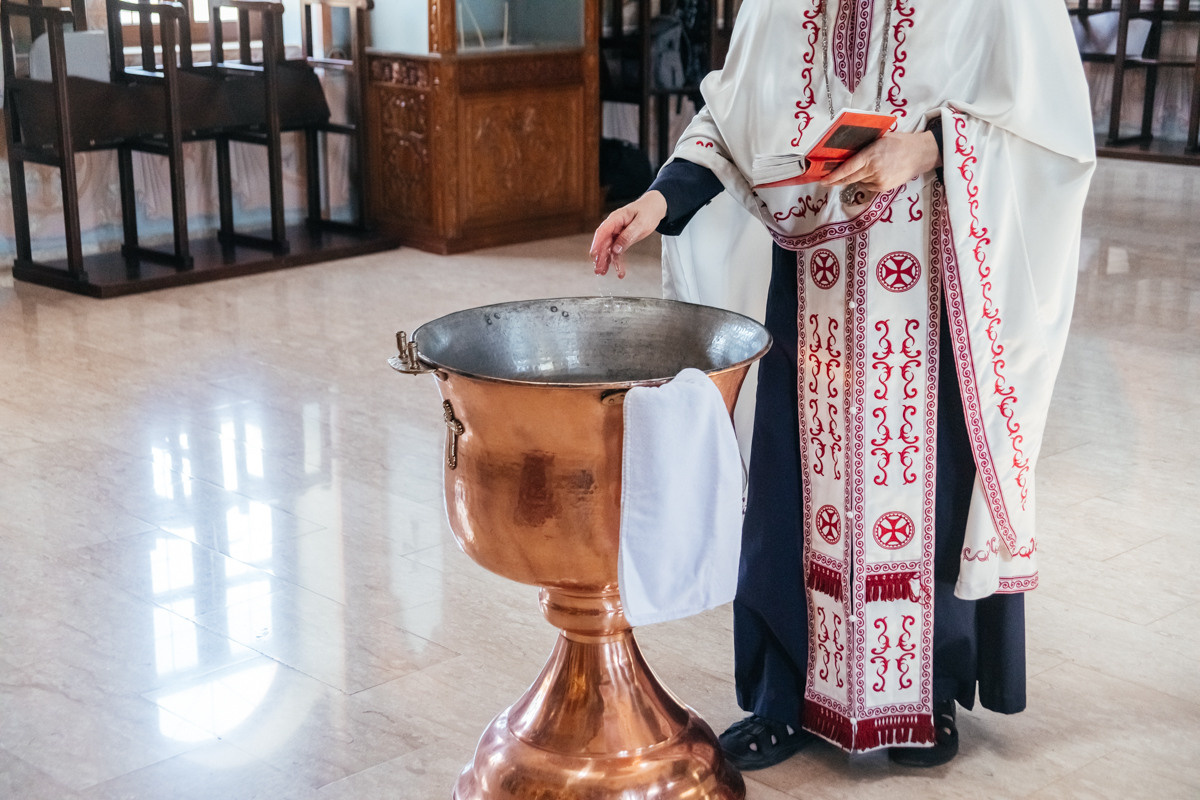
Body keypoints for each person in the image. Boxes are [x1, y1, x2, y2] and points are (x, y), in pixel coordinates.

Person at [590, 0, 1095, 770]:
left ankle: (926, 695)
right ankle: (781, 698)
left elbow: (1047, 129)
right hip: (811, 284)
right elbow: (733, 118)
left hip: (931, 282)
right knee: (790, 492)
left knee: (934, 485)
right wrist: (657, 202)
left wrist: (925, 148)